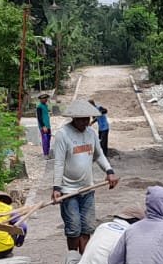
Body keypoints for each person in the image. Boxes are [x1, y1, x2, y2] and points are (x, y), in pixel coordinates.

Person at [50, 100, 119, 253]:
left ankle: (84, 261)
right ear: (73, 118)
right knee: (73, 228)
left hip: (88, 188)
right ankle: (72, 258)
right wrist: (56, 187)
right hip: (69, 191)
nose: (85, 123)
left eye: (87, 119)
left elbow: (99, 155)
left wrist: (109, 171)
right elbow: (59, 163)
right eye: (81, 120)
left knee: (87, 228)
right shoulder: (63, 135)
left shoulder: (91, 134)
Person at [35, 92, 52, 158]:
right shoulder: (39, 107)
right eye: (43, 98)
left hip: (48, 125)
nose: (45, 99)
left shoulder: (46, 106)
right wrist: (43, 126)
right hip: (43, 126)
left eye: (46, 98)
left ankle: (47, 152)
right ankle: (45, 154)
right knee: (45, 139)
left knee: (49, 139)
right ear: (40, 99)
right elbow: (39, 118)